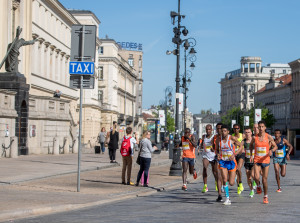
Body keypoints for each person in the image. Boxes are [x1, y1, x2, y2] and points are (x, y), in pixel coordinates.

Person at [250, 120, 277, 204]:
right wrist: (251, 154)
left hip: (265, 160)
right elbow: (251, 145)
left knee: (264, 180)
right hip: (257, 160)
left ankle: (265, 196)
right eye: (259, 127)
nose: (261, 128)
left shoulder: (268, 137)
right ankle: (258, 186)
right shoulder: (255, 137)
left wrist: (271, 150)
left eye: (262, 127)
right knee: (256, 177)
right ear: (258, 127)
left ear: (265, 127)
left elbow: (275, 146)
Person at [215, 125, 242, 205]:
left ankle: (234, 176)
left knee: (231, 183)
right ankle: (227, 198)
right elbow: (216, 149)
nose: (223, 132)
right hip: (223, 161)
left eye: (225, 131)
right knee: (224, 179)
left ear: (228, 132)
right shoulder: (218, 140)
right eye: (222, 131)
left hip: (231, 162)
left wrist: (234, 154)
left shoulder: (232, 138)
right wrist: (218, 155)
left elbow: (240, 146)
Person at [200, 125, 219, 196]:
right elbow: (202, 145)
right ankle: (205, 186)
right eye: (207, 129)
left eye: (209, 129)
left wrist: (213, 149)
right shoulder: (203, 137)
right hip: (206, 156)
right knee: (205, 167)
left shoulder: (214, 137)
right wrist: (202, 146)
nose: (208, 131)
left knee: (215, 171)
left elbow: (216, 146)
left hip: (213, 156)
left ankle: (217, 183)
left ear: (211, 130)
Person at [232, 124, 245, 194]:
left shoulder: (242, 135)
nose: (236, 130)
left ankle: (240, 183)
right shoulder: (232, 136)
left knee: (238, 169)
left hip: (241, 154)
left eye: (237, 128)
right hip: (235, 155)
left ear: (239, 129)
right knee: (236, 171)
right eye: (234, 128)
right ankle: (239, 185)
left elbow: (243, 144)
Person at [212, 123, 224, 202]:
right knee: (218, 175)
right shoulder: (215, 138)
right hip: (218, 158)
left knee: (229, 180)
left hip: (228, 158)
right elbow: (214, 147)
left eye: (220, 128)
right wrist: (216, 152)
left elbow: (238, 145)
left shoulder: (228, 137)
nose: (219, 130)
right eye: (217, 128)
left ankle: (224, 185)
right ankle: (219, 194)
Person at [242, 127, 255, 197]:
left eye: (248, 132)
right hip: (247, 162)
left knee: (253, 175)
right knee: (248, 177)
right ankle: (251, 190)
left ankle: (256, 182)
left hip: (254, 162)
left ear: (251, 133)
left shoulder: (254, 140)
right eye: (246, 132)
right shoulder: (243, 141)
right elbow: (240, 148)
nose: (247, 134)